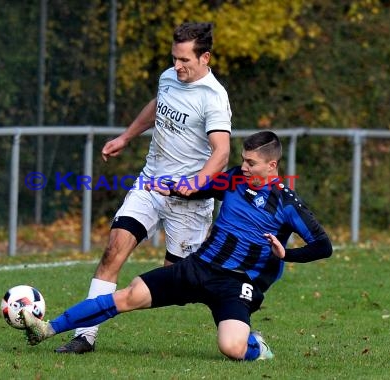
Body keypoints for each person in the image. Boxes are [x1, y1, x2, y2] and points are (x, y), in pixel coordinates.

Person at [21, 131, 333, 361]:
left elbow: (323, 246)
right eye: (242, 160)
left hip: (237, 283)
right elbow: (205, 188)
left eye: (251, 163)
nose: (244, 166)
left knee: (232, 348)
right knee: (130, 294)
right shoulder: (237, 178)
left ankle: (257, 346)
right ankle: (47, 329)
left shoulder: (288, 202)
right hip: (198, 267)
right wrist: (173, 189)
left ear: (272, 165)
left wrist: (286, 254)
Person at [55, 22, 232, 354]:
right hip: (150, 183)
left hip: (187, 203)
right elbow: (156, 106)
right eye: (174, 58)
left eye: (184, 60)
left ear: (205, 57)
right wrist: (125, 136)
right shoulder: (169, 77)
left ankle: (240, 329)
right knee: (113, 250)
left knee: (181, 283)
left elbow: (221, 152)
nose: (176, 66)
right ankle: (85, 335)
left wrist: (195, 183)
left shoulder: (214, 98)